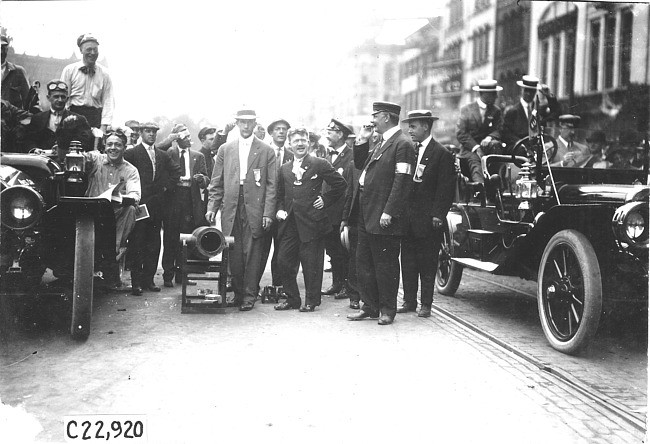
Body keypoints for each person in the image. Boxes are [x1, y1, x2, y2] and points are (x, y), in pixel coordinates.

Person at [346, 101, 415, 325]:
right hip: (367, 212)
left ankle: (387, 309)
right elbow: (359, 165)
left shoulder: (402, 143)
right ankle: (370, 306)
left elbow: (402, 181)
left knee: (385, 266)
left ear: (386, 117)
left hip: (384, 215)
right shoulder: (381, 141)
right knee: (363, 263)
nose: (372, 120)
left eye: (375, 116)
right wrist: (363, 140)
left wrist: (389, 211)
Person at [205, 108, 277, 312]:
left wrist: (267, 213)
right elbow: (216, 182)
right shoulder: (225, 149)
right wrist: (213, 207)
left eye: (250, 122)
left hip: (255, 205)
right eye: (242, 122)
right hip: (231, 205)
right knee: (233, 251)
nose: (246, 126)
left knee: (253, 251)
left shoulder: (266, 150)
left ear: (255, 124)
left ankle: (249, 295)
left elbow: (272, 184)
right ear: (236, 124)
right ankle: (237, 294)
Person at [273, 126, 346, 312]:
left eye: (303, 140)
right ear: (290, 144)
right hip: (290, 223)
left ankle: (311, 301)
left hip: (312, 222)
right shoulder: (284, 169)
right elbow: (280, 195)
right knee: (283, 261)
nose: (300, 144)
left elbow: (340, 184)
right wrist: (280, 210)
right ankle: (292, 299)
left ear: (309, 143)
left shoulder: (319, 163)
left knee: (311, 264)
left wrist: (325, 199)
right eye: (296, 141)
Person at [397, 110, 456, 318]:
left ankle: (426, 304)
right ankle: (409, 301)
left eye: (413, 126)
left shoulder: (441, 154)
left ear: (425, 127)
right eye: (409, 126)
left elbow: (446, 189)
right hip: (408, 220)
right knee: (408, 262)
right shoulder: (409, 150)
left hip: (429, 221)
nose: (409, 130)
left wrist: (438, 215)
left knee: (428, 264)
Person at [124, 121, 181, 296]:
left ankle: (148, 280)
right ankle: (136, 282)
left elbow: (176, 172)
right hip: (139, 204)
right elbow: (124, 172)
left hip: (156, 206)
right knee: (137, 243)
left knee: (154, 243)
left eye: (154, 132)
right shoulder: (132, 153)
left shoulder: (162, 154)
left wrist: (165, 188)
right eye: (148, 131)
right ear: (141, 133)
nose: (151, 135)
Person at [162, 123, 209, 287]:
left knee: (188, 238)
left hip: (191, 198)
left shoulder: (198, 156)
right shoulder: (169, 153)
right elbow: (158, 151)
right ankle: (168, 275)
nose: (189, 139)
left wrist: (201, 179)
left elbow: (206, 179)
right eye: (185, 136)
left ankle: (183, 274)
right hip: (173, 199)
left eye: (189, 136)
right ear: (177, 138)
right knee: (170, 237)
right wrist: (171, 138)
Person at [259, 118, 293, 296]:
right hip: (264, 208)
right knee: (261, 249)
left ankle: (279, 286)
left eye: (284, 129)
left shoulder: (292, 154)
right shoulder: (261, 152)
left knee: (282, 250)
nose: (281, 132)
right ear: (271, 133)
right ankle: (253, 286)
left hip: (283, 209)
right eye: (278, 129)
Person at [321, 118, 354, 299]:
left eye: (331, 130)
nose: (328, 133)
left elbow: (350, 188)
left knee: (343, 251)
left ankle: (347, 286)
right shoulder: (327, 155)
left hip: (341, 212)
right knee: (332, 251)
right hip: (327, 213)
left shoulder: (351, 156)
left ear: (340, 134)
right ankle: (336, 282)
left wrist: (345, 217)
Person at [60, 33, 114, 131]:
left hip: (95, 118)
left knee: (93, 146)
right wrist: (64, 119)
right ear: (81, 50)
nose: (92, 53)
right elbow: (63, 97)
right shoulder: (69, 70)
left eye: (95, 50)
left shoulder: (105, 74)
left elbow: (108, 101)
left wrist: (104, 126)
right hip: (73, 116)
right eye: (89, 49)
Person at [23, 80, 93, 153]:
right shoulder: (38, 118)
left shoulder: (79, 119)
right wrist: (34, 149)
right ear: (48, 97)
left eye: (63, 97)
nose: (60, 100)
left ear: (67, 99)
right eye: (56, 96)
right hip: (42, 159)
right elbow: (29, 139)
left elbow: (85, 142)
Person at [456, 79, 503, 183]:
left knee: (499, 157)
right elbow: (461, 133)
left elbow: (498, 129)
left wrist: (489, 137)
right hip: (470, 149)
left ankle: (500, 188)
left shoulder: (496, 111)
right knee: (476, 164)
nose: (496, 96)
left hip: (489, 147)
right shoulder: (466, 109)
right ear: (484, 94)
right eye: (493, 94)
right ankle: (481, 190)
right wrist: (476, 148)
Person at [501, 75, 560, 153]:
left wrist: (549, 96)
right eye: (526, 90)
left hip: (537, 148)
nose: (528, 94)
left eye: (532, 91)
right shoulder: (512, 111)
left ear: (535, 92)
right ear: (522, 90)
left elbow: (556, 114)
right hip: (518, 149)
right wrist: (519, 143)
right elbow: (506, 133)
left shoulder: (539, 110)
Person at [1, 35, 31, 110]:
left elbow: (28, 100)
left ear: (7, 50)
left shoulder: (18, 72)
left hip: (12, 119)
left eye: (3, 48)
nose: (0, 52)